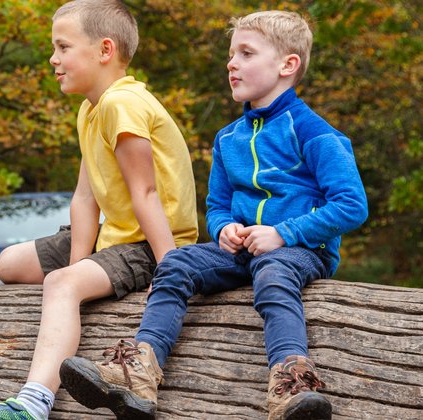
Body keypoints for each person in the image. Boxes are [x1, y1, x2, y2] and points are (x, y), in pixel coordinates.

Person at [58, 10, 369, 420]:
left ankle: (291, 384)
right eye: (230, 54)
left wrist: (283, 233)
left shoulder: (314, 132)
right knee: (177, 261)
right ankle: (137, 374)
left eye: (245, 53)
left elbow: (351, 205)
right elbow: (217, 205)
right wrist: (225, 229)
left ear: (287, 65)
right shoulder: (228, 139)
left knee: (274, 273)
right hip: (242, 251)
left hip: (300, 249)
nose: (231, 63)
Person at [0, 1, 197, 419]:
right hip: (113, 233)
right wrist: (80, 263)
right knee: (9, 263)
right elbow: (85, 197)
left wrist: (171, 269)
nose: (53, 59)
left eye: (63, 47)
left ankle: (33, 403)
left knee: (61, 285)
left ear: (104, 50)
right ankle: (62, 311)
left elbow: (147, 193)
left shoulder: (124, 104)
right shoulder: (91, 108)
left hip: (148, 243)